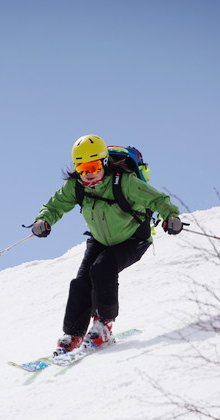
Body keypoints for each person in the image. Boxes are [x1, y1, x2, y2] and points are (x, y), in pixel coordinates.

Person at [31, 134, 184, 355]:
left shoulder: (125, 182)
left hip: (133, 239)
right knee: (80, 283)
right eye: (83, 169)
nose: (89, 174)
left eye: (93, 166)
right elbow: (56, 205)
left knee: (102, 269)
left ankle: (104, 324)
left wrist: (171, 216)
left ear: (104, 162)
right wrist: (43, 220)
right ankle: (72, 334)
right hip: (100, 240)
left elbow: (157, 199)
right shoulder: (76, 186)